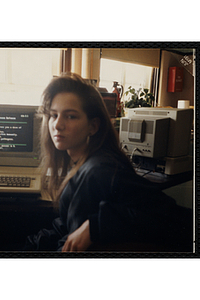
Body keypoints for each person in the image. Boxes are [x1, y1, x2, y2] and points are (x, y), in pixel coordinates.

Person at [25, 73, 193, 252]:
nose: (57, 125)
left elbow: (181, 221)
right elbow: (66, 226)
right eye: (53, 115)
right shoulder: (82, 163)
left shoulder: (100, 170)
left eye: (71, 116)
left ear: (93, 126)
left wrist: (96, 226)